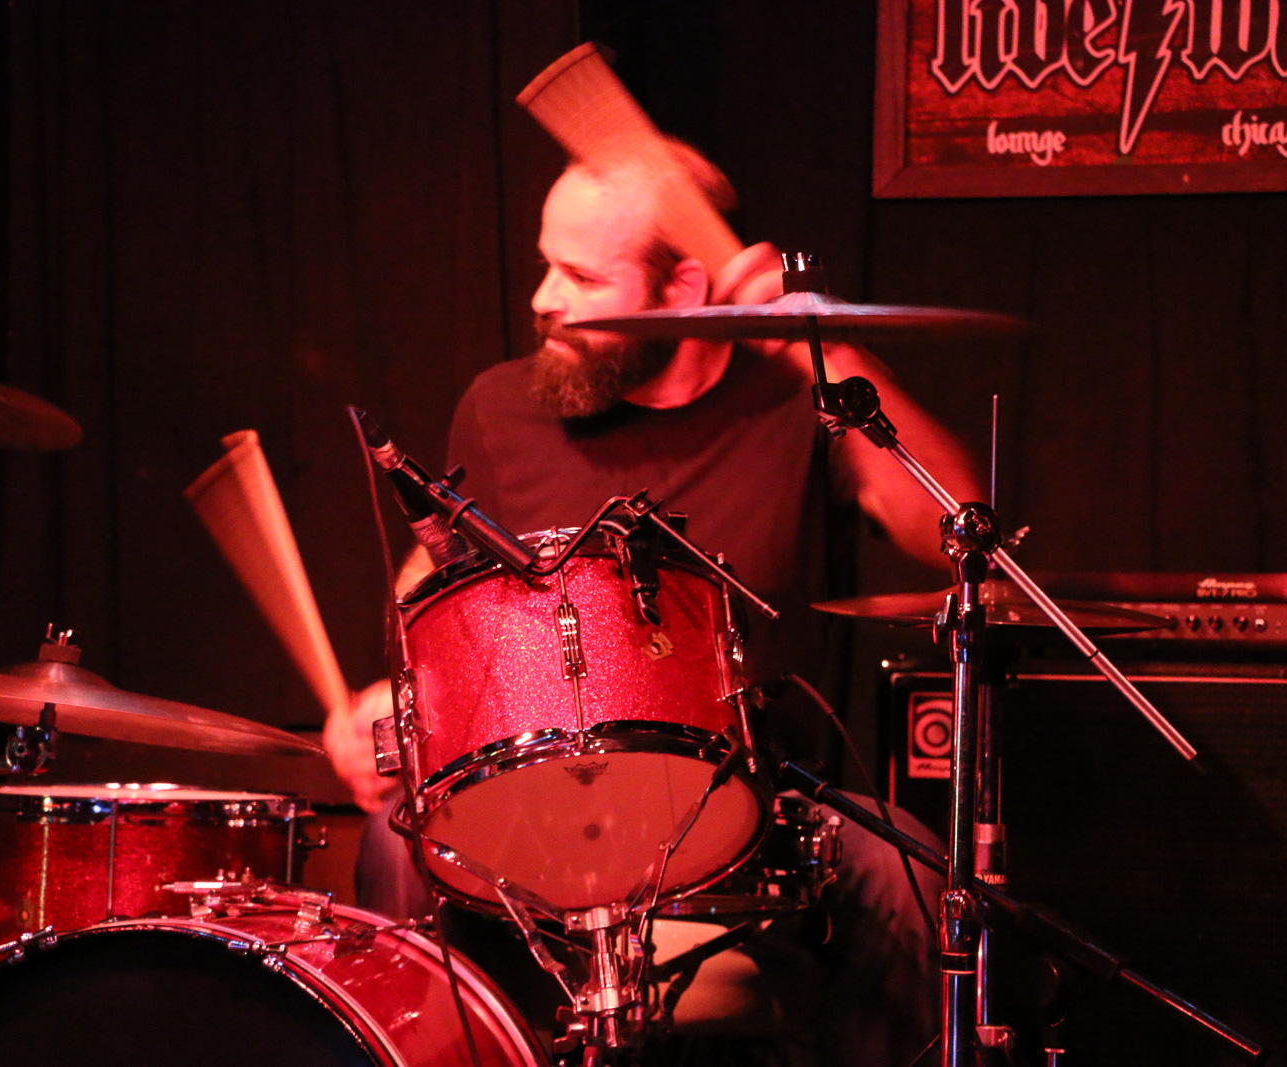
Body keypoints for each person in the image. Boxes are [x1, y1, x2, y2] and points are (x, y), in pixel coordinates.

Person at [326, 148, 984, 1066]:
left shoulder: (795, 403)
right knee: (394, 849)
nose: (543, 297)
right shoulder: (502, 406)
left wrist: (821, 354)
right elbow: (434, 578)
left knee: (913, 874)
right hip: (532, 800)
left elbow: (953, 522)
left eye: (582, 275)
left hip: (759, 797)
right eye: (548, 263)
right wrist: (384, 696)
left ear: (682, 290)